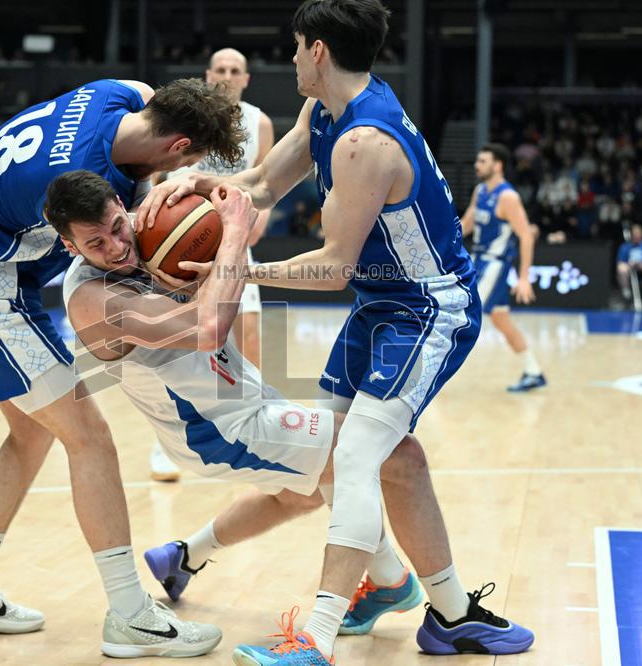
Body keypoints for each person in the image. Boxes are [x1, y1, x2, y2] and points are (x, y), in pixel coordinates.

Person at [136, 0, 533, 660]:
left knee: (352, 458)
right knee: (347, 458)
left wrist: (236, 268)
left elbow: (331, 268)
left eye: (295, 48)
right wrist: (200, 188)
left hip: (427, 309)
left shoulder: (363, 143)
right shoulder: (325, 112)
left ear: (318, 51)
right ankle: (446, 609)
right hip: (380, 303)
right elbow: (260, 184)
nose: (290, 59)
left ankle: (316, 641)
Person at [0, 78, 245, 657]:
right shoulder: (70, 184)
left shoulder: (116, 95)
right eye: (189, 160)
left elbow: (140, 91)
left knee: (31, 435)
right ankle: (129, 615)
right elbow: (114, 252)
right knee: (90, 438)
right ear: (178, 146)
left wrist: (159, 185)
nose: (185, 173)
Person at [48, 167, 429, 649]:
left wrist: (192, 184)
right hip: (217, 429)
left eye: (117, 229)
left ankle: (184, 556)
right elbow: (207, 328)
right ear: (70, 247)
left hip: (240, 399)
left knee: (305, 492)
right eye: (96, 243)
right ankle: (386, 587)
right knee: (383, 452)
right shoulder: (93, 300)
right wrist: (233, 229)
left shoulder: (146, 230)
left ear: (123, 210)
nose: (117, 247)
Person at [149, 47, 276, 482]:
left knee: (250, 339)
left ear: (246, 79)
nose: (226, 75)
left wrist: (257, 223)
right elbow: (156, 174)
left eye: (234, 70)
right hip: (180, 243)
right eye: (219, 69)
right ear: (208, 76)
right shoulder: (188, 118)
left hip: (233, 241)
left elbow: (267, 184)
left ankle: (249, 431)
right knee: (180, 341)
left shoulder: (259, 123)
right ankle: (167, 441)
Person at [460, 143, 546, 392]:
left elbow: (527, 236)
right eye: (478, 161)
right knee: (500, 319)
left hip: (493, 265)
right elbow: (468, 222)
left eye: (483, 161)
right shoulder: (480, 191)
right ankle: (533, 371)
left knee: (458, 314)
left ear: (497, 165)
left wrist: (524, 278)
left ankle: (426, 375)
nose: (477, 165)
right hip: (478, 260)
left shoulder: (508, 197)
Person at [616, 223, 642, 302]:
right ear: (631, 234)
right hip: (629, 265)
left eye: (638, 233)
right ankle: (626, 292)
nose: (637, 235)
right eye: (635, 233)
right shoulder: (625, 246)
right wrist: (629, 264)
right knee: (621, 268)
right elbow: (620, 262)